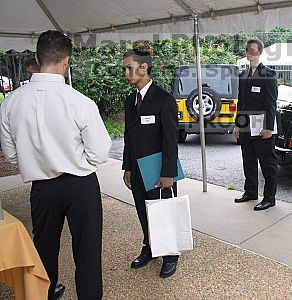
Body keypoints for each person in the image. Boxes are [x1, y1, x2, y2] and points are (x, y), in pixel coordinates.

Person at [0, 30, 111, 299]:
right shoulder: (80, 102)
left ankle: (45, 295)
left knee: (44, 250)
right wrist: (76, 161)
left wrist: (37, 161)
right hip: (81, 185)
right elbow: (100, 153)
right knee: (87, 253)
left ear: (37, 58)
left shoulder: (11, 103)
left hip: (42, 188)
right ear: (67, 61)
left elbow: (11, 156)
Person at [122, 49, 180, 278]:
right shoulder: (130, 101)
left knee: (162, 213)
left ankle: (170, 254)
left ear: (143, 68)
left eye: (129, 67)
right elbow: (128, 136)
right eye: (124, 68)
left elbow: (171, 139)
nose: (126, 72)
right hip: (137, 170)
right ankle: (150, 247)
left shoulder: (163, 99)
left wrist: (169, 173)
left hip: (158, 171)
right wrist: (127, 167)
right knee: (143, 211)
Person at [233, 39, 278, 211]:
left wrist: (268, 127)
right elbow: (241, 102)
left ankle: (269, 198)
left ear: (260, 52)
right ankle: (250, 192)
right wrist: (238, 125)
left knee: (267, 163)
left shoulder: (268, 74)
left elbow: (271, 103)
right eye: (247, 49)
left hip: (262, 126)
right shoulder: (243, 74)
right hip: (246, 126)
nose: (249, 53)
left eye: (252, 50)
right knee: (248, 160)